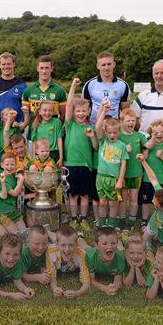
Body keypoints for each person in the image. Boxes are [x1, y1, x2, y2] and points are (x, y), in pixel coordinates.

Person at [64, 78, 98, 230]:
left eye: (84, 111)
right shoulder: (69, 124)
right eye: (78, 111)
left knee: (84, 195)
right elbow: (70, 103)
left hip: (86, 165)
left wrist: (92, 138)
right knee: (73, 195)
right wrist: (73, 86)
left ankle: (83, 218)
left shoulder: (90, 128)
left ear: (88, 111)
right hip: (71, 164)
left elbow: (96, 147)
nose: (80, 113)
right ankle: (73, 218)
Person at [94, 103, 129, 229]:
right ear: (105, 132)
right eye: (109, 133)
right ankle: (102, 223)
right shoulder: (103, 141)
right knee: (103, 202)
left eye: (115, 132)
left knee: (113, 203)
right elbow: (97, 126)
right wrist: (103, 110)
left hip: (113, 179)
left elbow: (124, 164)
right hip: (101, 177)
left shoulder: (121, 146)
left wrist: (120, 180)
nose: (112, 135)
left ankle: (112, 224)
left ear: (119, 132)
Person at [138, 119, 163, 228]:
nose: (159, 134)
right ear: (151, 133)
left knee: (161, 202)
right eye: (156, 132)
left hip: (162, 180)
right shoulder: (148, 146)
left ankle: (161, 219)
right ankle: (144, 220)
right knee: (146, 201)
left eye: (162, 132)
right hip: (147, 179)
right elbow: (144, 157)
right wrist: (149, 146)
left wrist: (162, 157)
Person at [117, 109, 148, 231]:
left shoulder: (139, 136)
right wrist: (123, 149)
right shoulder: (118, 136)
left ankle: (131, 221)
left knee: (134, 199)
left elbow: (147, 146)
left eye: (133, 120)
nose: (131, 123)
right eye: (128, 120)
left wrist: (144, 156)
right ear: (121, 121)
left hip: (136, 173)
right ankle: (122, 220)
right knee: (123, 199)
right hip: (123, 174)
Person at [82, 51, 131, 124]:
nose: (106, 67)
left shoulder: (123, 85)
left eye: (109, 64)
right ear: (98, 66)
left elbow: (125, 112)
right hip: (94, 127)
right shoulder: (89, 84)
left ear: (114, 64)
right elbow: (83, 109)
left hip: (114, 130)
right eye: (103, 65)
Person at [46, 225, 90, 298]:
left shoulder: (82, 254)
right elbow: (52, 275)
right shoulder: (50, 252)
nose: (67, 249)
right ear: (57, 245)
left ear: (76, 245)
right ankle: (47, 231)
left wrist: (77, 293)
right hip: (56, 245)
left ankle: (80, 237)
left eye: (71, 245)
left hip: (80, 246)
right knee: (55, 238)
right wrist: (54, 288)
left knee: (86, 248)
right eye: (63, 245)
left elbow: (86, 281)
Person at [22, 55, 67, 122]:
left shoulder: (60, 91)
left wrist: (57, 129)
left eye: (47, 68)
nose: (44, 71)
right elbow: (26, 116)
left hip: (52, 131)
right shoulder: (28, 90)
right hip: (34, 131)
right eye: (42, 68)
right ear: (38, 69)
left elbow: (63, 116)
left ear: (51, 69)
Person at [0, 52, 28, 121]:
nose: (6, 67)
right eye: (3, 64)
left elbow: (27, 109)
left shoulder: (22, 85)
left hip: (16, 128)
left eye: (8, 64)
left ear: (13, 64)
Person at [84, 227, 126, 296]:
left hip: (119, 252)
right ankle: (80, 237)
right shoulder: (90, 256)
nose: (109, 246)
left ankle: (120, 243)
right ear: (97, 245)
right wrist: (104, 288)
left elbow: (118, 280)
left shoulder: (120, 258)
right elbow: (91, 280)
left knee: (121, 250)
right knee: (86, 247)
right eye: (104, 244)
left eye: (113, 243)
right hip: (92, 251)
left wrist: (113, 289)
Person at [0, 154, 27, 234]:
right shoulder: (1, 178)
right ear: (2, 165)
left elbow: (19, 192)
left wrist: (33, 195)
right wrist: (21, 180)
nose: (10, 167)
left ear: (15, 165)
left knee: (24, 232)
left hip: (13, 211)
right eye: (7, 164)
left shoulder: (14, 176)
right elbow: (14, 194)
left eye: (12, 164)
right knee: (16, 234)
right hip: (3, 213)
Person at [31, 101, 64, 167]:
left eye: (50, 110)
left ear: (53, 112)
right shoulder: (36, 124)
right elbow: (34, 142)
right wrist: (34, 157)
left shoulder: (56, 122)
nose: (47, 113)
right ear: (39, 112)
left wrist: (61, 157)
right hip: (40, 154)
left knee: (53, 174)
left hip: (54, 153)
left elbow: (59, 140)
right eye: (45, 110)